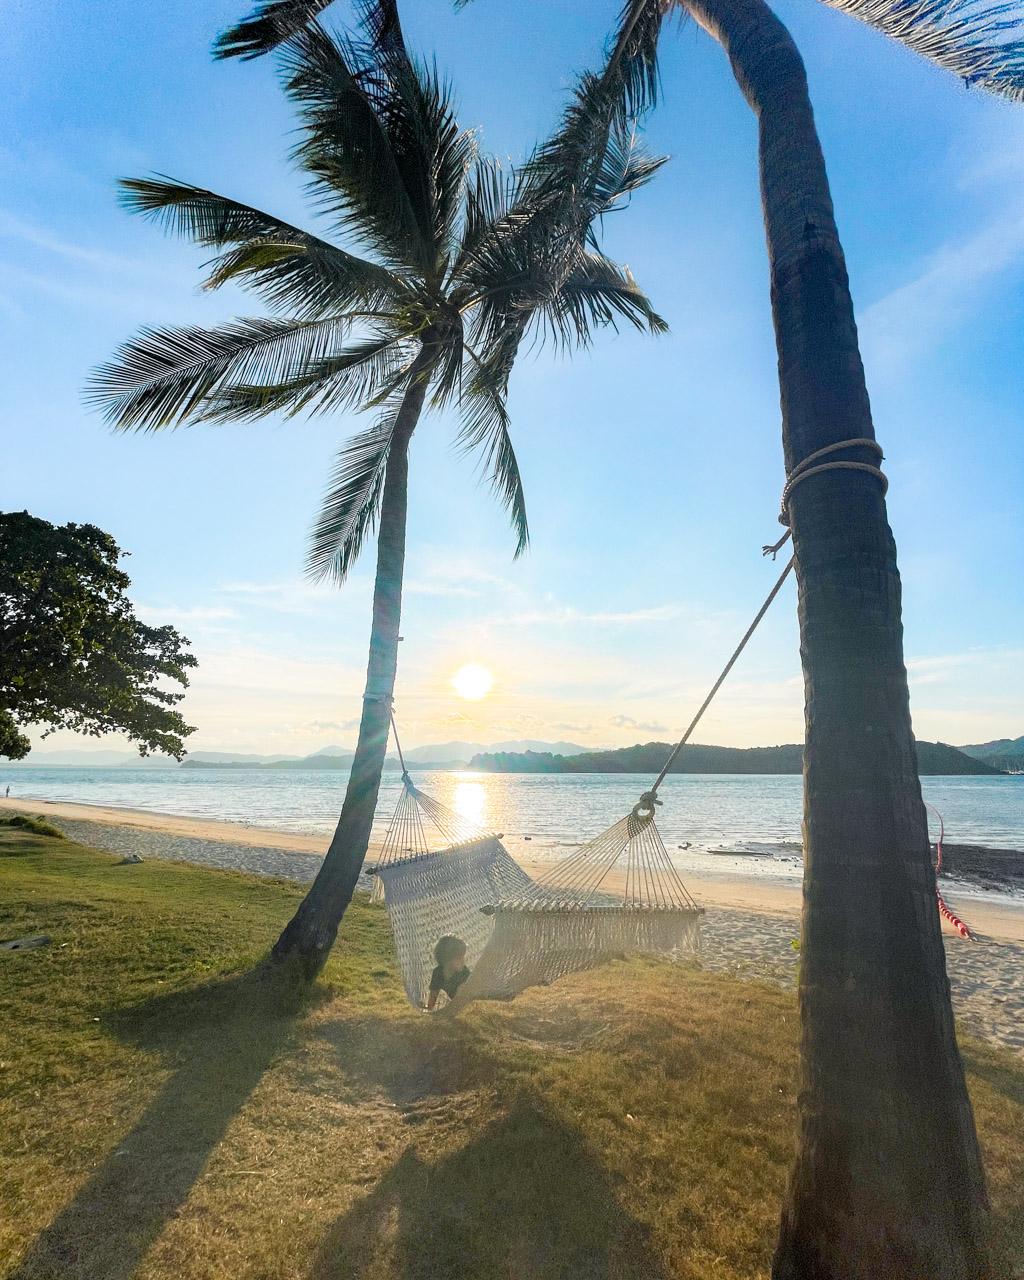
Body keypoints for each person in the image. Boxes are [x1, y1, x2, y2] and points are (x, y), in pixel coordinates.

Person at [426, 935, 470, 1010]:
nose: (463, 960)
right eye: (458, 958)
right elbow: (433, 995)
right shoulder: (438, 973)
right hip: (455, 1006)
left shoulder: (464, 973)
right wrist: (429, 1008)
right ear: (447, 959)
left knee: (461, 988)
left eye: (463, 956)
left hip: (466, 1004)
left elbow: (468, 996)